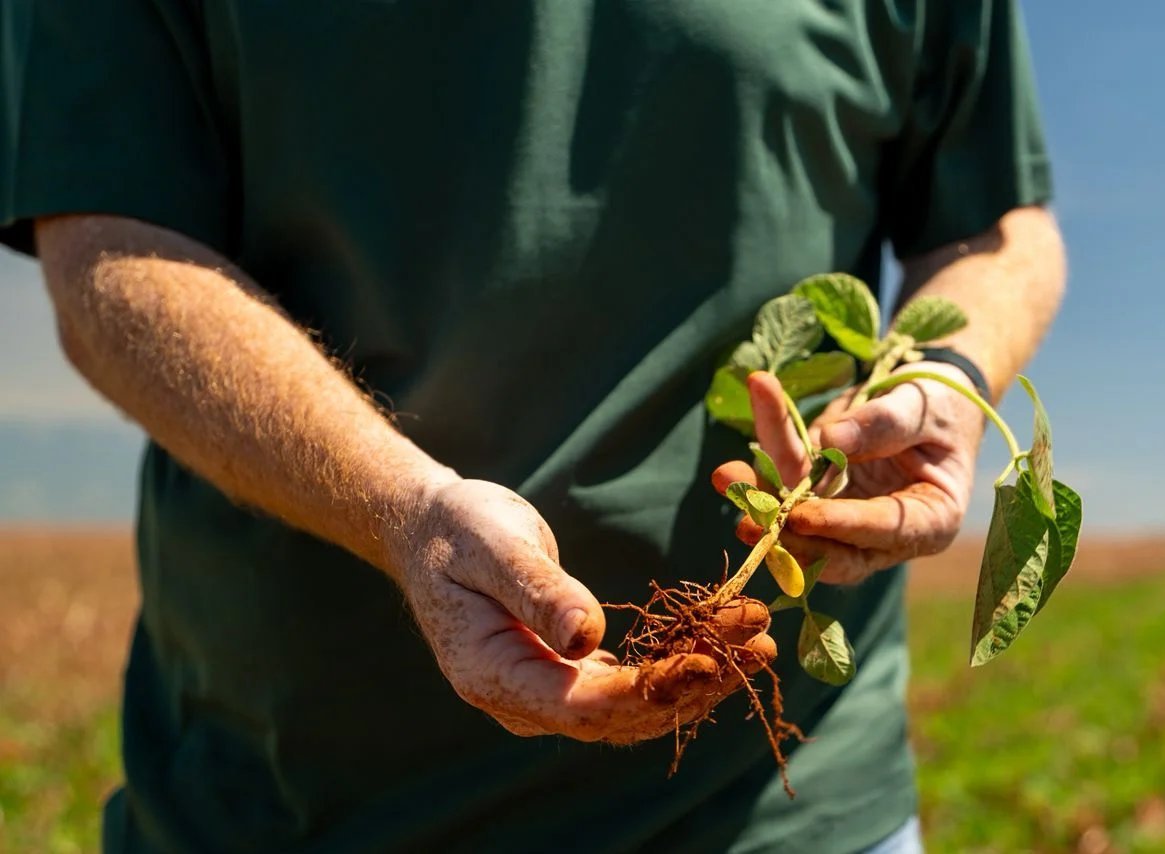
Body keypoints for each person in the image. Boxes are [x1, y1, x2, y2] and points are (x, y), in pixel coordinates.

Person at [2, 1, 1064, 850]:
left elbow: (1001, 226)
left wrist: (945, 371)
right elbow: (106, 242)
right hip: (294, 798)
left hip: (787, 812)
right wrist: (397, 506)